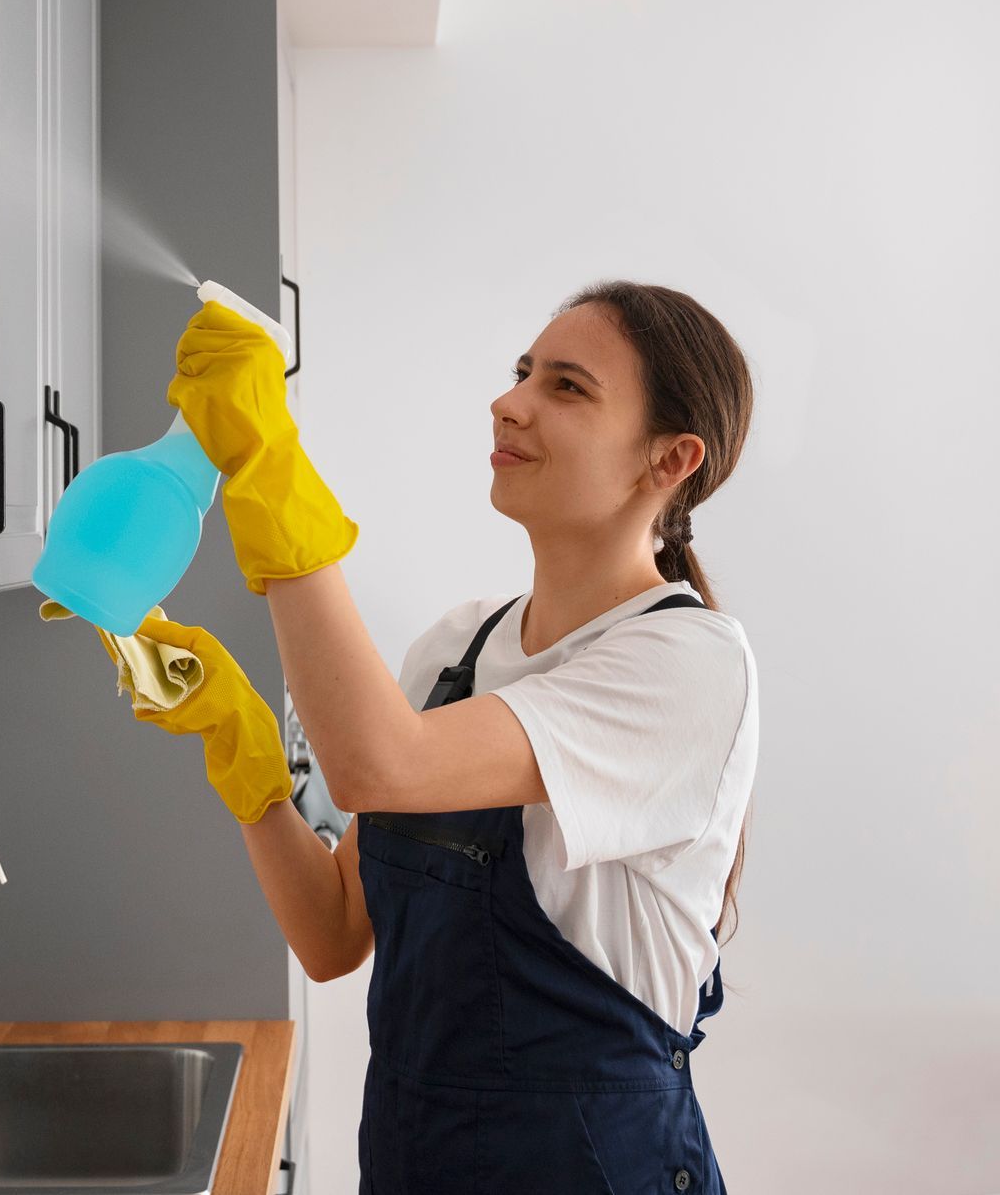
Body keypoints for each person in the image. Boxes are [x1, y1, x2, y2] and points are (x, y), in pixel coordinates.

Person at [119, 282, 758, 1193]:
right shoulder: (457, 648)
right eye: (522, 372)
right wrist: (242, 750)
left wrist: (272, 468)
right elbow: (335, 934)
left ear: (671, 458)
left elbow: (379, 763)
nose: (512, 400)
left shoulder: (687, 664)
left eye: (568, 387)